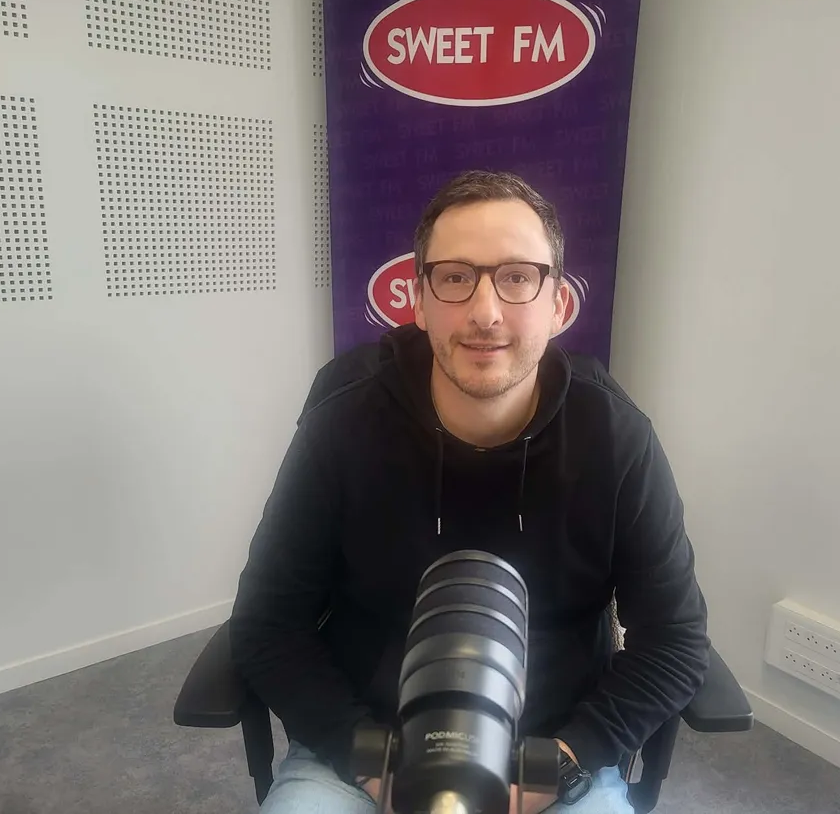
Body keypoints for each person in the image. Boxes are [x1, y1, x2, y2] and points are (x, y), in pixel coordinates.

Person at [230, 170, 710, 814]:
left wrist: (559, 766)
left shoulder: (617, 440)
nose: (485, 312)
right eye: (456, 277)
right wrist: (369, 762)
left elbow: (674, 640)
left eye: (518, 277)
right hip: (367, 752)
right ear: (419, 300)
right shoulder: (343, 425)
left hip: (549, 754)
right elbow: (269, 626)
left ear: (559, 304)